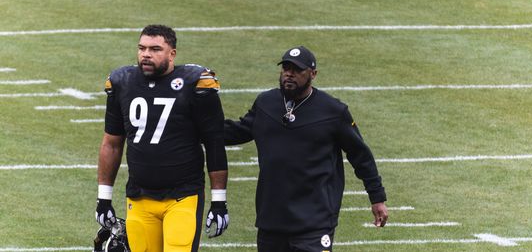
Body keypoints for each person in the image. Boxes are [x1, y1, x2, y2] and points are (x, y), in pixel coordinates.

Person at [224, 46, 388, 252]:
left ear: (313, 74)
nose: (289, 74)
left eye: (297, 70)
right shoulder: (266, 103)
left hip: (315, 221)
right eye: (286, 68)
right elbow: (237, 131)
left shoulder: (333, 111)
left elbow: (360, 155)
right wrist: (195, 124)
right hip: (272, 219)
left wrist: (377, 197)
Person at [95, 24, 229, 252]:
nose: (146, 54)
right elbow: (112, 143)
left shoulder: (195, 83)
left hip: (183, 196)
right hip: (139, 197)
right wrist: (103, 198)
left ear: (172, 54)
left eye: (155, 49)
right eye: (142, 48)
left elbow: (214, 143)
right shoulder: (123, 82)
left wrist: (219, 201)